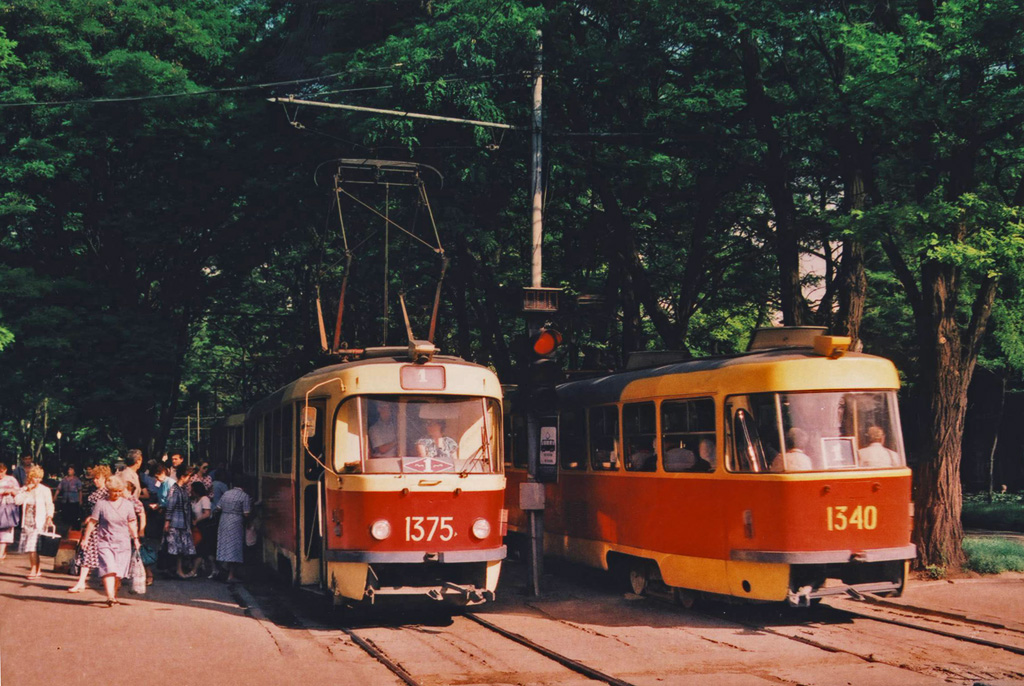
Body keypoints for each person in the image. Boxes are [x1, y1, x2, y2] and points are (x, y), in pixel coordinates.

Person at [79, 475, 140, 606]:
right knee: (109, 568)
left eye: (119, 491)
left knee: (118, 572)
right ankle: (110, 596)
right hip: (105, 541)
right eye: (114, 491)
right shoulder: (101, 504)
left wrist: (136, 538)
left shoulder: (128, 504)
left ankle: (114, 594)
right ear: (108, 490)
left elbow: (132, 522)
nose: (117, 494)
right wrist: (85, 538)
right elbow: (92, 522)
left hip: (123, 542)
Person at [68, 465, 112, 593]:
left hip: (100, 528)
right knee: (86, 554)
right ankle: (81, 582)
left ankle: (105, 583)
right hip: (94, 527)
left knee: (96, 555)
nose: (95, 480)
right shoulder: (99, 492)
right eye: (94, 478)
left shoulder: (106, 493)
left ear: (105, 478)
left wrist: (93, 518)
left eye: (98, 478)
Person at [14, 466, 55, 579]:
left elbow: (49, 504)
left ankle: (33, 569)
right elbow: (17, 501)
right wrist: (27, 490)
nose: (37, 480)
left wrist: (49, 517)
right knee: (32, 548)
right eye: (35, 477)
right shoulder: (25, 489)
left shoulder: (44, 490)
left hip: (39, 522)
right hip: (27, 522)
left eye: (39, 478)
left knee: (32, 547)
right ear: (30, 477)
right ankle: (37, 569)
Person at [215, 475, 252, 582]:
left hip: (224, 519)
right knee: (234, 547)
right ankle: (230, 575)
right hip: (236, 521)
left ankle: (221, 570)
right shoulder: (244, 496)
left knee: (223, 545)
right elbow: (246, 514)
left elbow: (218, 508)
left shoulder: (226, 493)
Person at [164, 467, 196, 579]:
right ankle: (177, 570)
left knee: (179, 549)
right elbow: (170, 505)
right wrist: (167, 521)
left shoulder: (181, 489)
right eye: (189, 477)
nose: (190, 479)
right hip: (176, 522)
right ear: (183, 476)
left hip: (182, 522)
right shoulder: (175, 489)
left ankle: (177, 570)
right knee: (176, 549)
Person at [191, 481, 214, 577]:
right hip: (196, 527)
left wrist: (197, 520)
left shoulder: (204, 499)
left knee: (202, 549)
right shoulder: (195, 500)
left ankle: (194, 571)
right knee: (202, 550)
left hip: (204, 526)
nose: (190, 491)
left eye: (192, 489)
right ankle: (211, 569)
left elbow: (207, 513)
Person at [0, 462, 20, 563]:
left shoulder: (11, 480)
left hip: (7, 508)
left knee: (5, 530)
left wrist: (11, 491)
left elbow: (18, 492)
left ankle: (1, 553)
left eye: (2, 472)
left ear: (5, 470)